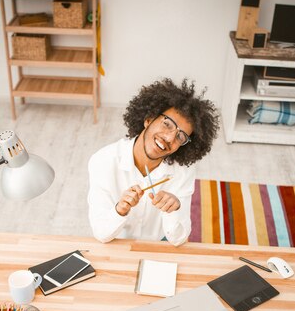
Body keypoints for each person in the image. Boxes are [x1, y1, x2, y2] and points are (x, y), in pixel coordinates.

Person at [87, 78, 220, 246]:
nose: (169, 138)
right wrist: (120, 209)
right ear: (148, 119)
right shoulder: (103, 161)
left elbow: (178, 239)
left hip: (159, 246)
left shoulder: (183, 172)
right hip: (116, 243)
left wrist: (174, 209)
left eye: (180, 136)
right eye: (167, 124)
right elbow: (101, 233)